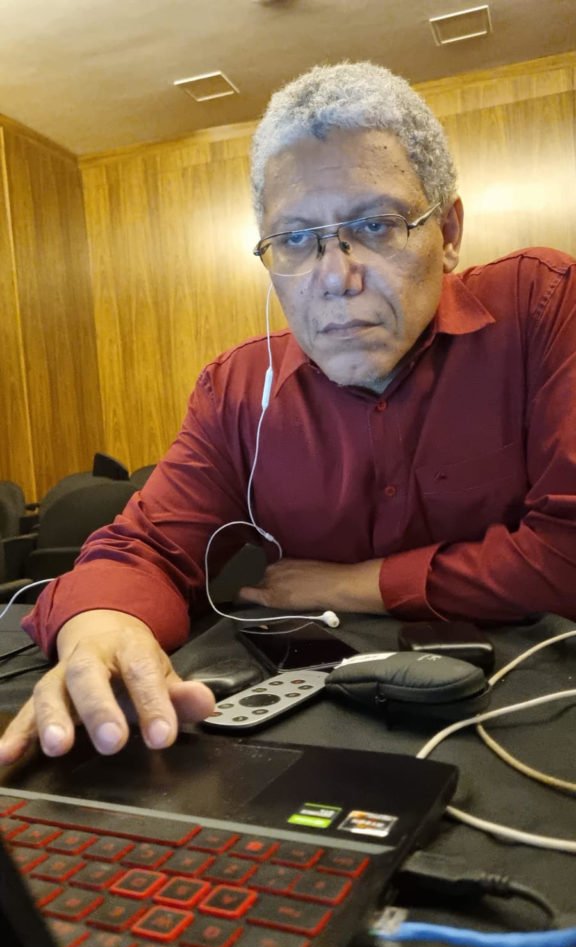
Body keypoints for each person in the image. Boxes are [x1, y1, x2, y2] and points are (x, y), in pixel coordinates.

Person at [1, 61, 575, 767]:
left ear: (448, 231)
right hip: (316, 733)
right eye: (296, 239)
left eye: (377, 224)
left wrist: (360, 582)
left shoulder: (543, 306)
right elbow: (143, 548)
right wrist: (101, 623)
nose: (336, 277)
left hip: (541, 718)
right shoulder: (237, 389)